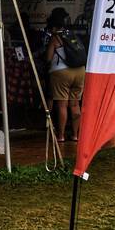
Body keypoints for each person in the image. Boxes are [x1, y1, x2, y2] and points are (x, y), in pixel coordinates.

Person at [44, 8, 86, 143]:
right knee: (75, 105)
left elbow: (48, 58)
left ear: (54, 26)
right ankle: (75, 135)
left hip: (61, 73)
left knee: (62, 105)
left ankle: (61, 136)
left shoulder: (55, 38)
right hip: (80, 71)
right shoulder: (73, 35)